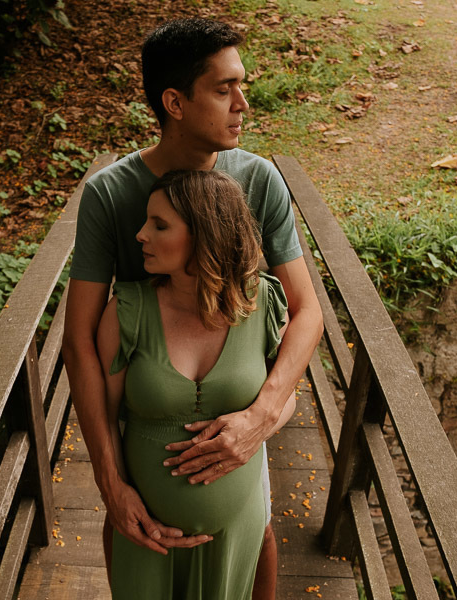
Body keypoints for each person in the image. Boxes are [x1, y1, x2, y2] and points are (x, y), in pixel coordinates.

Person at [61, 17, 323, 599]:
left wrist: (261, 418)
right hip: (146, 404)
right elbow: (79, 340)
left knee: (262, 533)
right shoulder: (110, 194)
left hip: (235, 391)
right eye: (224, 88)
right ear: (174, 102)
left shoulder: (259, 182)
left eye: (242, 86)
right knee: (129, 534)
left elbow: (306, 312)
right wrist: (109, 480)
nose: (243, 105)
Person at [97, 169, 296, 598]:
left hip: (235, 533)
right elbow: (102, 417)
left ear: (206, 234)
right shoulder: (126, 312)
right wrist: (116, 495)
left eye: (159, 225)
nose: (140, 235)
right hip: (147, 534)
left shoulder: (261, 302)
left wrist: (256, 426)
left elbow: (287, 396)